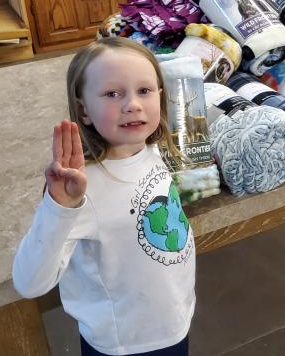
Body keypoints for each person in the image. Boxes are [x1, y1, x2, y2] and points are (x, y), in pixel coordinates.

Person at [12, 37, 195, 356]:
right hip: (125, 343)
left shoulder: (152, 149)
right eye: (113, 93)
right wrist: (59, 208)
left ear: (160, 97)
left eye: (144, 91)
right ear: (83, 109)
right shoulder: (84, 189)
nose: (133, 105)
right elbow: (29, 283)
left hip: (172, 322)